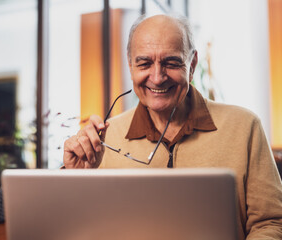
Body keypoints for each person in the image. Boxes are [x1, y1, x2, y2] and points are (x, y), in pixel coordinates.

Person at [63, 14, 282, 239]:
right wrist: (72, 177)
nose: (157, 78)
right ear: (130, 65)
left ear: (192, 64)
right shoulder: (103, 139)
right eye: (144, 63)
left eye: (171, 63)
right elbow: (72, 226)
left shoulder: (245, 126)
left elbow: (271, 223)